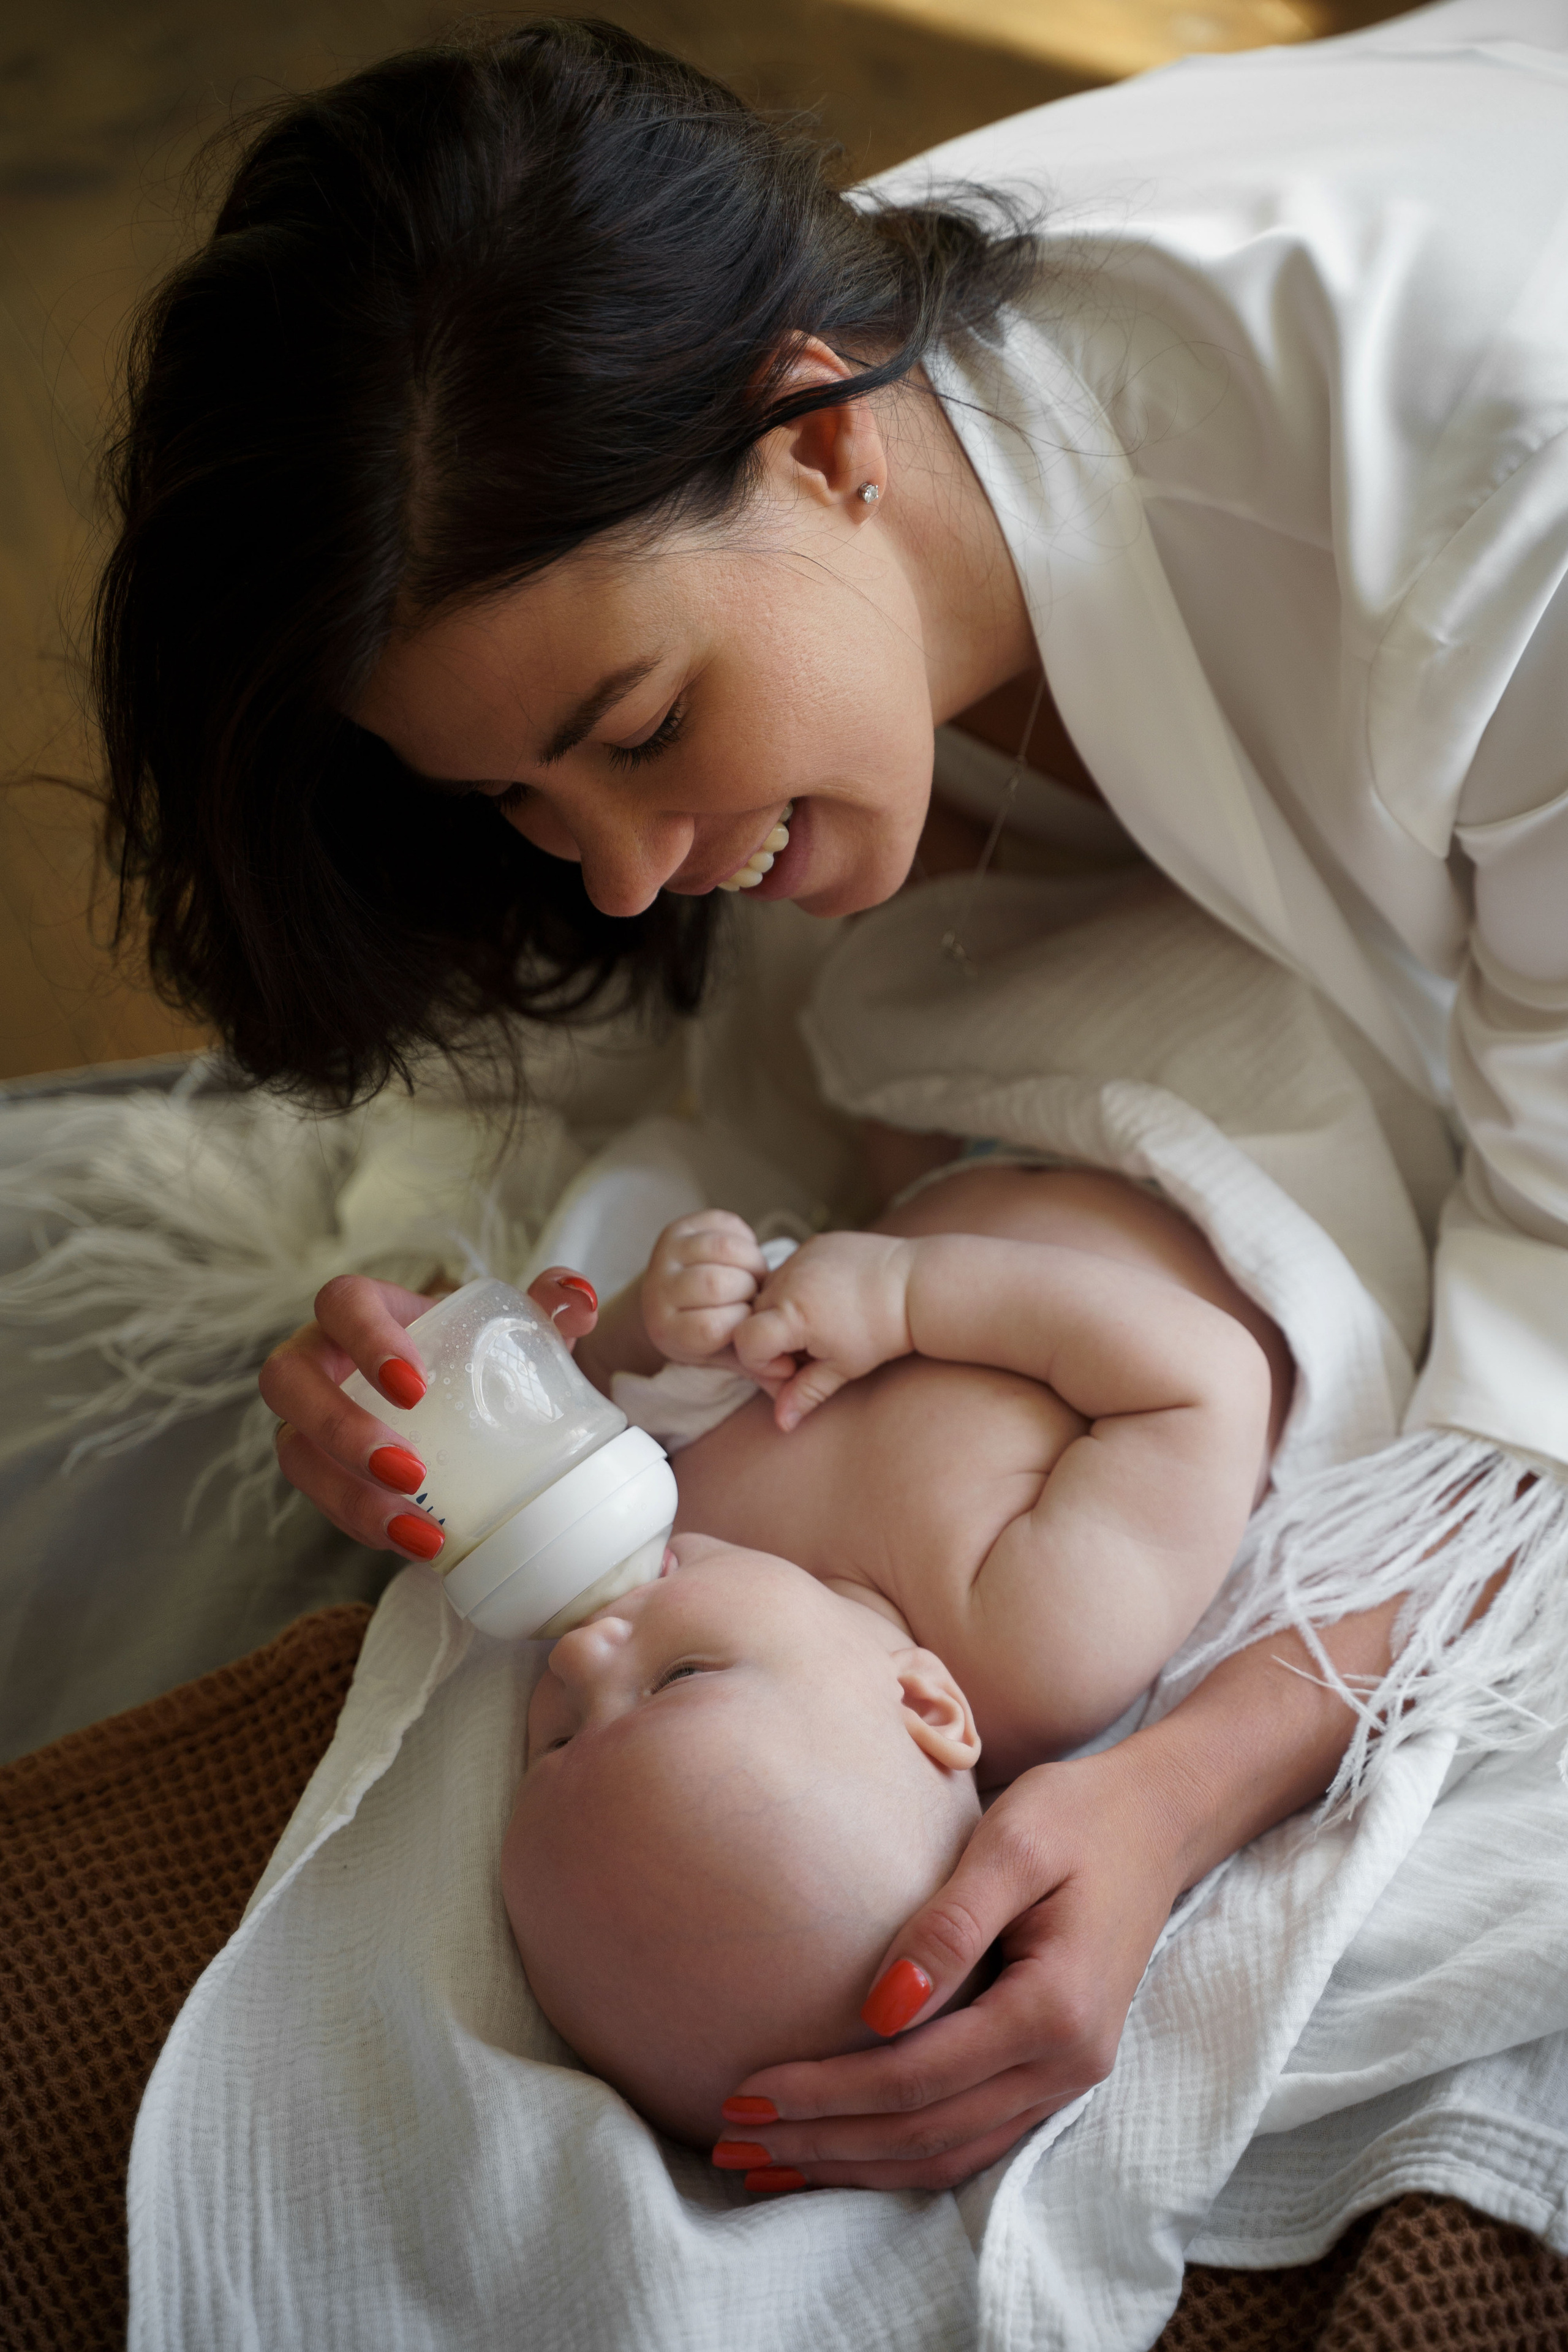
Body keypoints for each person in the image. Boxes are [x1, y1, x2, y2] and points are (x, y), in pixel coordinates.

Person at [99, 4, 1568, 2190]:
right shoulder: (641, 421)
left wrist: (1177, 1800)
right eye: (520, 800)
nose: (618, 874)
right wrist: (460, 1392)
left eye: (638, 731)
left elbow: (1544, 1363)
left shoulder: (1494, 521)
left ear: (826, 440)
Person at [507, 1155, 1289, 2157]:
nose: (580, 1654)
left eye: (557, 1738)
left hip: (946, 1144)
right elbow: (1207, 1385)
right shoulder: (1034, 1640)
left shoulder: (678, 1539)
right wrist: (908, 1293)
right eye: (678, 1679)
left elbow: (592, 1385)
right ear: (925, 1705)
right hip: (1239, 1183)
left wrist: (661, 1324)